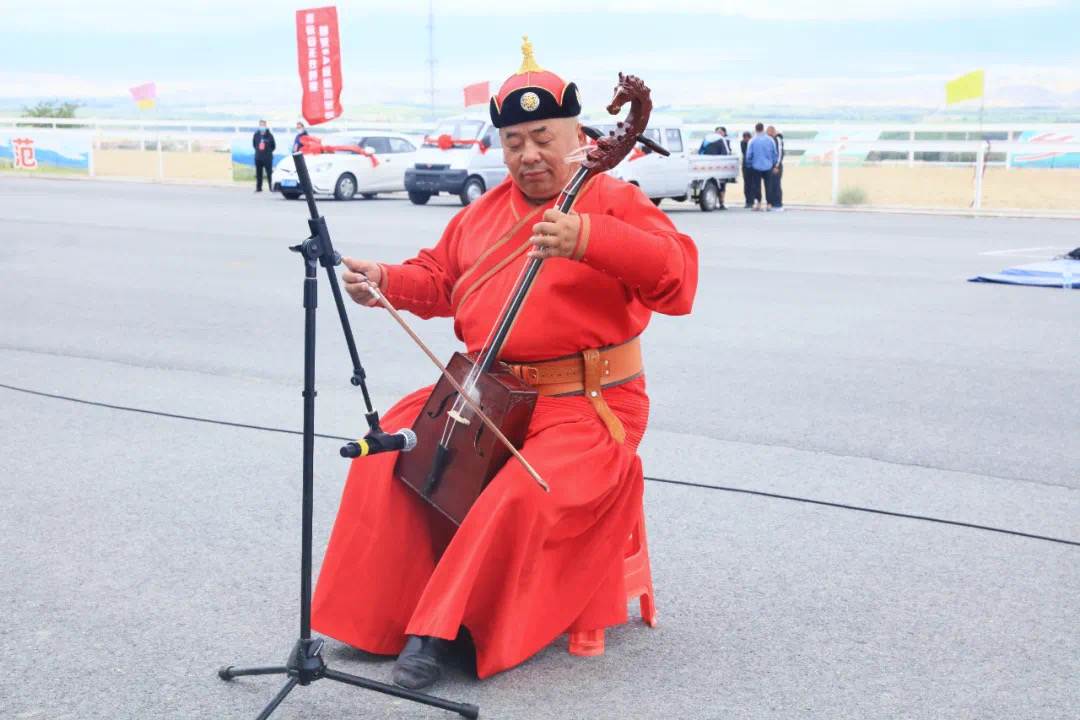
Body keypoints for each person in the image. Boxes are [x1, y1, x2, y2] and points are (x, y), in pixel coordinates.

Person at [310, 37, 698, 692]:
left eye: (542, 137)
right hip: (486, 394)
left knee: (525, 488)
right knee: (387, 454)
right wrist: (382, 279)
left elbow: (678, 281)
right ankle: (380, 618)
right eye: (514, 142)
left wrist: (589, 239)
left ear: (579, 134)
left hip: (587, 404)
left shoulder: (614, 201)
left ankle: (440, 632)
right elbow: (437, 282)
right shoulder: (482, 215)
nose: (528, 155)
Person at [744, 122, 777, 211]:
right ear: (763, 129)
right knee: (768, 186)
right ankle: (769, 204)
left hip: (756, 166)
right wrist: (773, 163)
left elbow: (748, 155)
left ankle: (759, 203)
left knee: (757, 186)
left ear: (756, 130)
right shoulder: (770, 140)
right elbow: (774, 153)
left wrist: (749, 164)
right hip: (768, 166)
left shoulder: (752, 140)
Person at [252, 120, 276, 192]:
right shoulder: (256, 135)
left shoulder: (270, 135)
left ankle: (271, 187)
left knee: (269, 173)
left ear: (265, 126)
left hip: (267, 158)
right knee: (259, 173)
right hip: (258, 157)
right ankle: (259, 188)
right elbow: (254, 145)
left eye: (263, 125)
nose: (262, 126)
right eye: (261, 125)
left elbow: (273, 146)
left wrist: (267, 152)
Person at [766, 125, 784, 211]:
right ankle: (772, 203)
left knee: (776, 185)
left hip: (776, 166)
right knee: (770, 185)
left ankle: (778, 203)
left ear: (773, 132)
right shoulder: (769, 140)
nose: (768, 134)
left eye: (769, 132)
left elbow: (780, 154)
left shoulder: (777, 139)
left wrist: (776, 166)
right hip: (769, 166)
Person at [740, 131, 756, 208]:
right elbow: (745, 153)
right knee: (747, 184)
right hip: (746, 166)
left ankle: (752, 200)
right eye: (745, 137)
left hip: (753, 166)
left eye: (747, 137)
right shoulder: (743, 143)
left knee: (752, 184)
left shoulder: (753, 143)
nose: (746, 139)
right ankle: (748, 201)